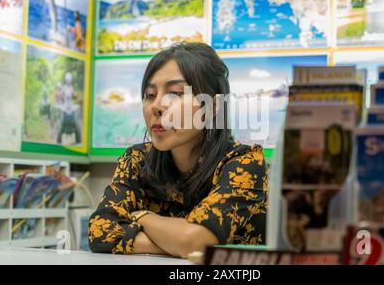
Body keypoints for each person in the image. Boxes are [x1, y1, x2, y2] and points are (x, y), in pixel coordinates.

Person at [88, 43, 268, 257]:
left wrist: (142, 217)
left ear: (213, 106)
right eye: (150, 95)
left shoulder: (245, 163)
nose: (157, 106)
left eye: (174, 94)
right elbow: (99, 232)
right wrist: (174, 244)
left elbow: (195, 241)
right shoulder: (136, 159)